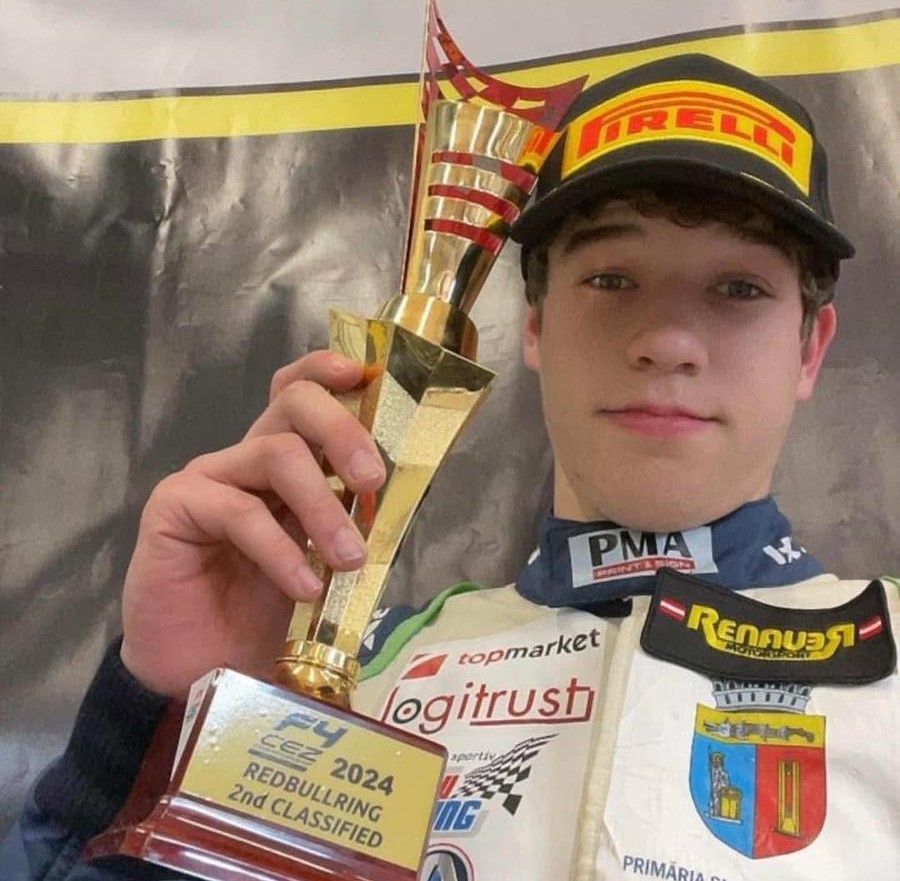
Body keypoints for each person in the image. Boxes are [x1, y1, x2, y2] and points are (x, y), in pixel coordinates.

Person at [2, 53, 897, 881]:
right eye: (611, 279)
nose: (667, 340)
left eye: (739, 288)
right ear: (534, 325)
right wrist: (152, 720)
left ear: (811, 348)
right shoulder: (366, 670)